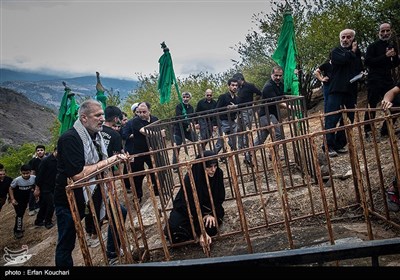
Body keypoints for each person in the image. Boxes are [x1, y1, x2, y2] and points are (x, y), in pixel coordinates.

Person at [54, 99, 128, 267]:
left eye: (102, 114)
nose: (102, 119)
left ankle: (112, 253)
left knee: (119, 212)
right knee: (67, 242)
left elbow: (99, 162)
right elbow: (78, 175)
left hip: (95, 193)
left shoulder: (97, 135)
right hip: (70, 199)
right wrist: (111, 160)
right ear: (84, 118)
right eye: (97, 115)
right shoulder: (70, 138)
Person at [164, 150, 225, 252]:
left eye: (215, 166)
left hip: (209, 209)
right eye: (209, 167)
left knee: (211, 225)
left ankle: (197, 234)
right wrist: (202, 231)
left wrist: (210, 214)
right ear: (202, 166)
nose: (213, 170)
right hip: (187, 211)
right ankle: (199, 234)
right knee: (175, 229)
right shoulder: (191, 178)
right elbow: (187, 204)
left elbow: (219, 198)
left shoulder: (218, 174)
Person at [324, 29, 362, 157]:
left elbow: (359, 67)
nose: (345, 40)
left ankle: (338, 144)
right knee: (332, 118)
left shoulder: (357, 53)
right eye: (343, 37)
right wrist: (352, 52)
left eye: (349, 37)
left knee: (349, 119)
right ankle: (328, 146)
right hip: (336, 90)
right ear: (340, 39)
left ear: (353, 39)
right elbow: (342, 60)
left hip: (351, 90)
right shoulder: (336, 51)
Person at [364, 23, 400, 139]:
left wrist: (394, 57)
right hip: (374, 79)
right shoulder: (372, 46)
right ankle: (368, 131)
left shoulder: (392, 45)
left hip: (387, 79)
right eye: (383, 31)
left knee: (396, 102)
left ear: (391, 31)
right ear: (378, 32)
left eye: (387, 31)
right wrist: (385, 56)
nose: (385, 33)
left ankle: (386, 129)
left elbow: (393, 64)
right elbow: (368, 62)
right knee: (372, 105)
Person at [121, 102, 159, 201]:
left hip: (152, 149)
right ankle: (138, 196)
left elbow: (160, 127)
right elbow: (143, 131)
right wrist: (158, 134)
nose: (141, 114)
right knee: (138, 175)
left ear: (149, 111)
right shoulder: (135, 121)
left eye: (144, 112)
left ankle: (157, 191)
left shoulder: (155, 119)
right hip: (138, 151)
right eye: (139, 112)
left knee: (155, 170)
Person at [251, 66, 287, 162]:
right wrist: (290, 106)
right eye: (276, 75)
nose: (278, 77)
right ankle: (273, 154)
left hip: (271, 115)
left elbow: (281, 98)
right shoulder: (268, 86)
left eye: (280, 75)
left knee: (261, 138)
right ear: (272, 75)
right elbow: (277, 101)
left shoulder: (280, 85)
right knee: (279, 134)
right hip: (266, 115)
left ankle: (248, 156)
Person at [233, 73, 261, 162]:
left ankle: (247, 153)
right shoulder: (239, 88)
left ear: (241, 79)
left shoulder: (249, 86)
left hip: (247, 110)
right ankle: (242, 149)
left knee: (247, 131)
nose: (236, 84)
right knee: (239, 130)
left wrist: (254, 104)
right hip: (240, 111)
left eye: (236, 82)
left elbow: (259, 93)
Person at [9, 164, 36, 239]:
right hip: (17, 199)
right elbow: (11, 188)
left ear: (30, 172)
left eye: (27, 173)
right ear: (21, 172)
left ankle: (18, 228)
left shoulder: (34, 178)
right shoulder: (17, 180)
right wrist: (12, 199)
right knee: (19, 214)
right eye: (23, 173)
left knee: (21, 213)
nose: (25, 175)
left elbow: (37, 185)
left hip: (26, 199)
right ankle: (17, 231)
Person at [172, 92, 198, 170]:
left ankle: (202, 158)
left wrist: (193, 123)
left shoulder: (191, 107)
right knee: (177, 147)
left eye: (187, 97)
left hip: (187, 130)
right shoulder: (179, 106)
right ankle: (175, 166)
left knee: (197, 141)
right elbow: (179, 117)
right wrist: (188, 122)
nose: (185, 98)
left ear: (190, 98)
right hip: (178, 130)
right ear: (182, 98)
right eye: (184, 97)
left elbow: (193, 116)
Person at [214, 78, 239, 158]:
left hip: (232, 121)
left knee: (233, 142)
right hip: (224, 121)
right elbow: (217, 109)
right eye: (232, 85)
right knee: (220, 142)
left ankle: (224, 157)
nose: (234, 87)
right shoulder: (223, 97)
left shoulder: (236, 98)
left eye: (236, 85)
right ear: (228, 86)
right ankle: (212, 157)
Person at [34, 146, 57, 229]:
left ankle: (38, 220)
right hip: (45, 187)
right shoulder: (46, 161)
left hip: (54, 186)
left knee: (44, 204)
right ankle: (48, 222)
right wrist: (37, 188)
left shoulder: (60, 160)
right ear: (55, 151)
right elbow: (39, 176)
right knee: (52, 204)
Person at [27, 144, 46, 215]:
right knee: (33, 193)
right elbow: (32, 172)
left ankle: (39, 207)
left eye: (41, 150)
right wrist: (32, 183)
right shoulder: (33, 161)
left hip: (46, 180)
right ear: (36, 152)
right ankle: (31, 208)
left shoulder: (47, 159)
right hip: (36, 179)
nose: (40, 152)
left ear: (44, 151)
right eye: (38, 151)